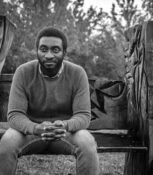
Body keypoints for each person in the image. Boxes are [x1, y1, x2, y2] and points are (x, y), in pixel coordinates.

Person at [0, 27, 99, 175]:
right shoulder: (23, 72)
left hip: (64, 133)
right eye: (43, 49)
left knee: (87, 141)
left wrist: (64, 125)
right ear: (37, 51)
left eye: (55, 50)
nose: (49, 55)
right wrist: (36, 128)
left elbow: (84, 115)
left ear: (64, 53)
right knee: (8, 140)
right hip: (30, 133)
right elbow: (15, 115)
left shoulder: (77, 73)